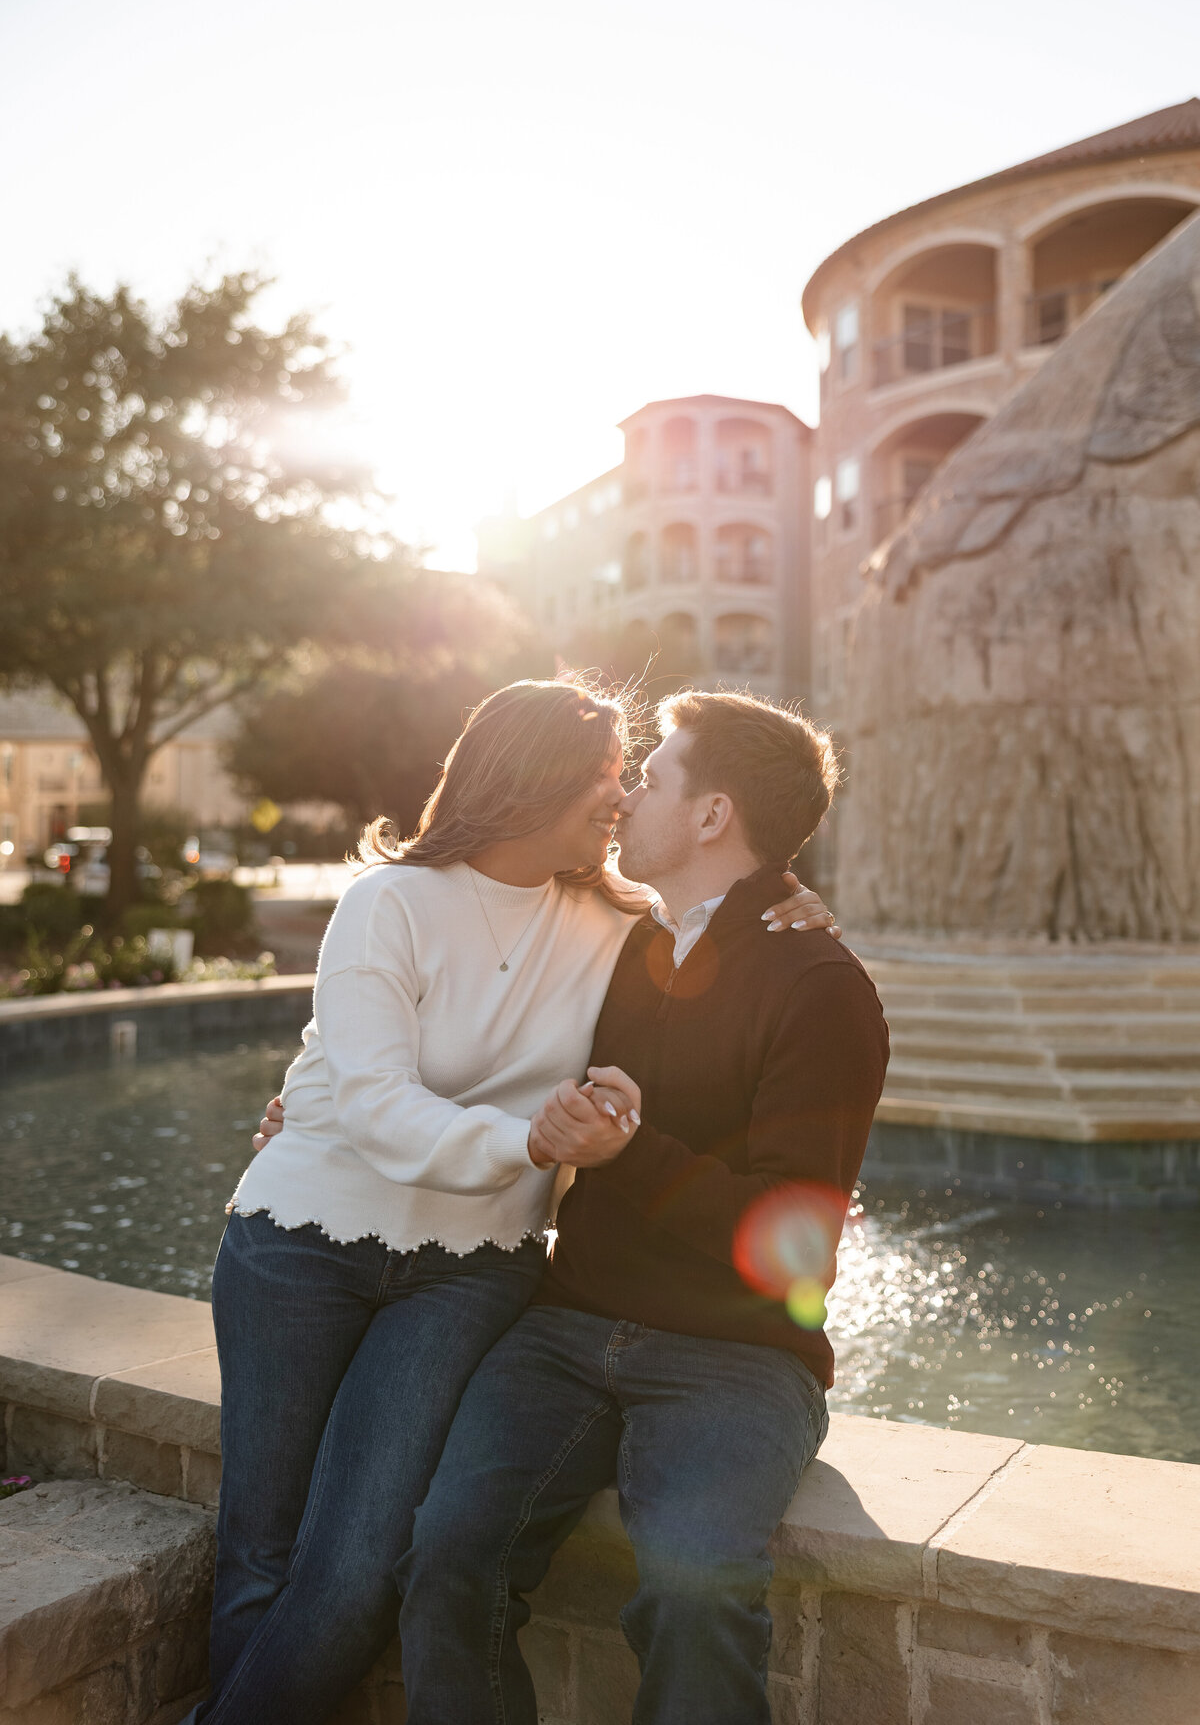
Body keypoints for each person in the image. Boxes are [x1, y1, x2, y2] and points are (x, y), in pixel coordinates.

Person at [189, 677, 832, 1725]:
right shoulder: (384, 903)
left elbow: (727, 902)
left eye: (634, 777)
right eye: (607, 776)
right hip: (300, 1245)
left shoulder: (616, 922)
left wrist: (788, 901)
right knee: (259, 1556)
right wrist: (521, 1141)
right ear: (532, 779)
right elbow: (371, 1096)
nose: (622, 799)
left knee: (357, 1572)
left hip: (467, 1268)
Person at [392, 688, 889, 1725]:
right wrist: (306, 1110)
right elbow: (463, 1026)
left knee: (697, 1586)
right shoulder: (619, 942)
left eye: (652, 775)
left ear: (712, 816)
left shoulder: (822, 987)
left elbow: (800, 1254)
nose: (623, 797)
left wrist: (633, 1152)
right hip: (567, 1325)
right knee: (445, 1553)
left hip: (739, 1357)